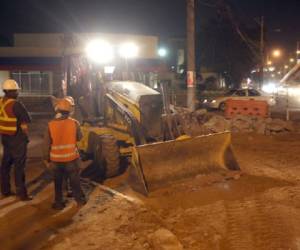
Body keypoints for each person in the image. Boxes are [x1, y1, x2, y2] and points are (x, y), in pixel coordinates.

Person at [44, 98, 86, 210]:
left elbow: (46, 144)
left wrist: (46, 159)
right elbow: (80, 137)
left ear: (58, 110)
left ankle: (59, 203)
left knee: (58, 183)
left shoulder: (50, 124)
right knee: (75, 181)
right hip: (71, 159)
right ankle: (80, 200)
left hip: (56, 161)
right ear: (70, 110)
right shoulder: (74, 123)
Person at [0, 79, 32, 200]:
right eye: (16, 91)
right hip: (17, 139)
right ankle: (22, 194)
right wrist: (25, 136)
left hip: (5, 138)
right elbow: (25, 122)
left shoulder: (1, 102)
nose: (18, 93)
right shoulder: (16, 104)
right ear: (12, 91)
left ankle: (5, 190)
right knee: (19, 166)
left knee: (5, 165)